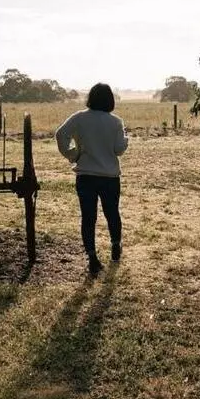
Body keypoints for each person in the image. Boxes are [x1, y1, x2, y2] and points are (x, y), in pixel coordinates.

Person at [55, 83, 128, 276]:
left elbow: (60, 134)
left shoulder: (79, 118)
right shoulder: (116, 122)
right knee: (112, 212)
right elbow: (119, 150)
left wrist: (72, 154)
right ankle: (115, 246)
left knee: (88, 217)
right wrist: (126, 139)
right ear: (110, 100)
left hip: (86, 175)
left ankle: (92, 256)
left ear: (91, 98)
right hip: (110, 176)